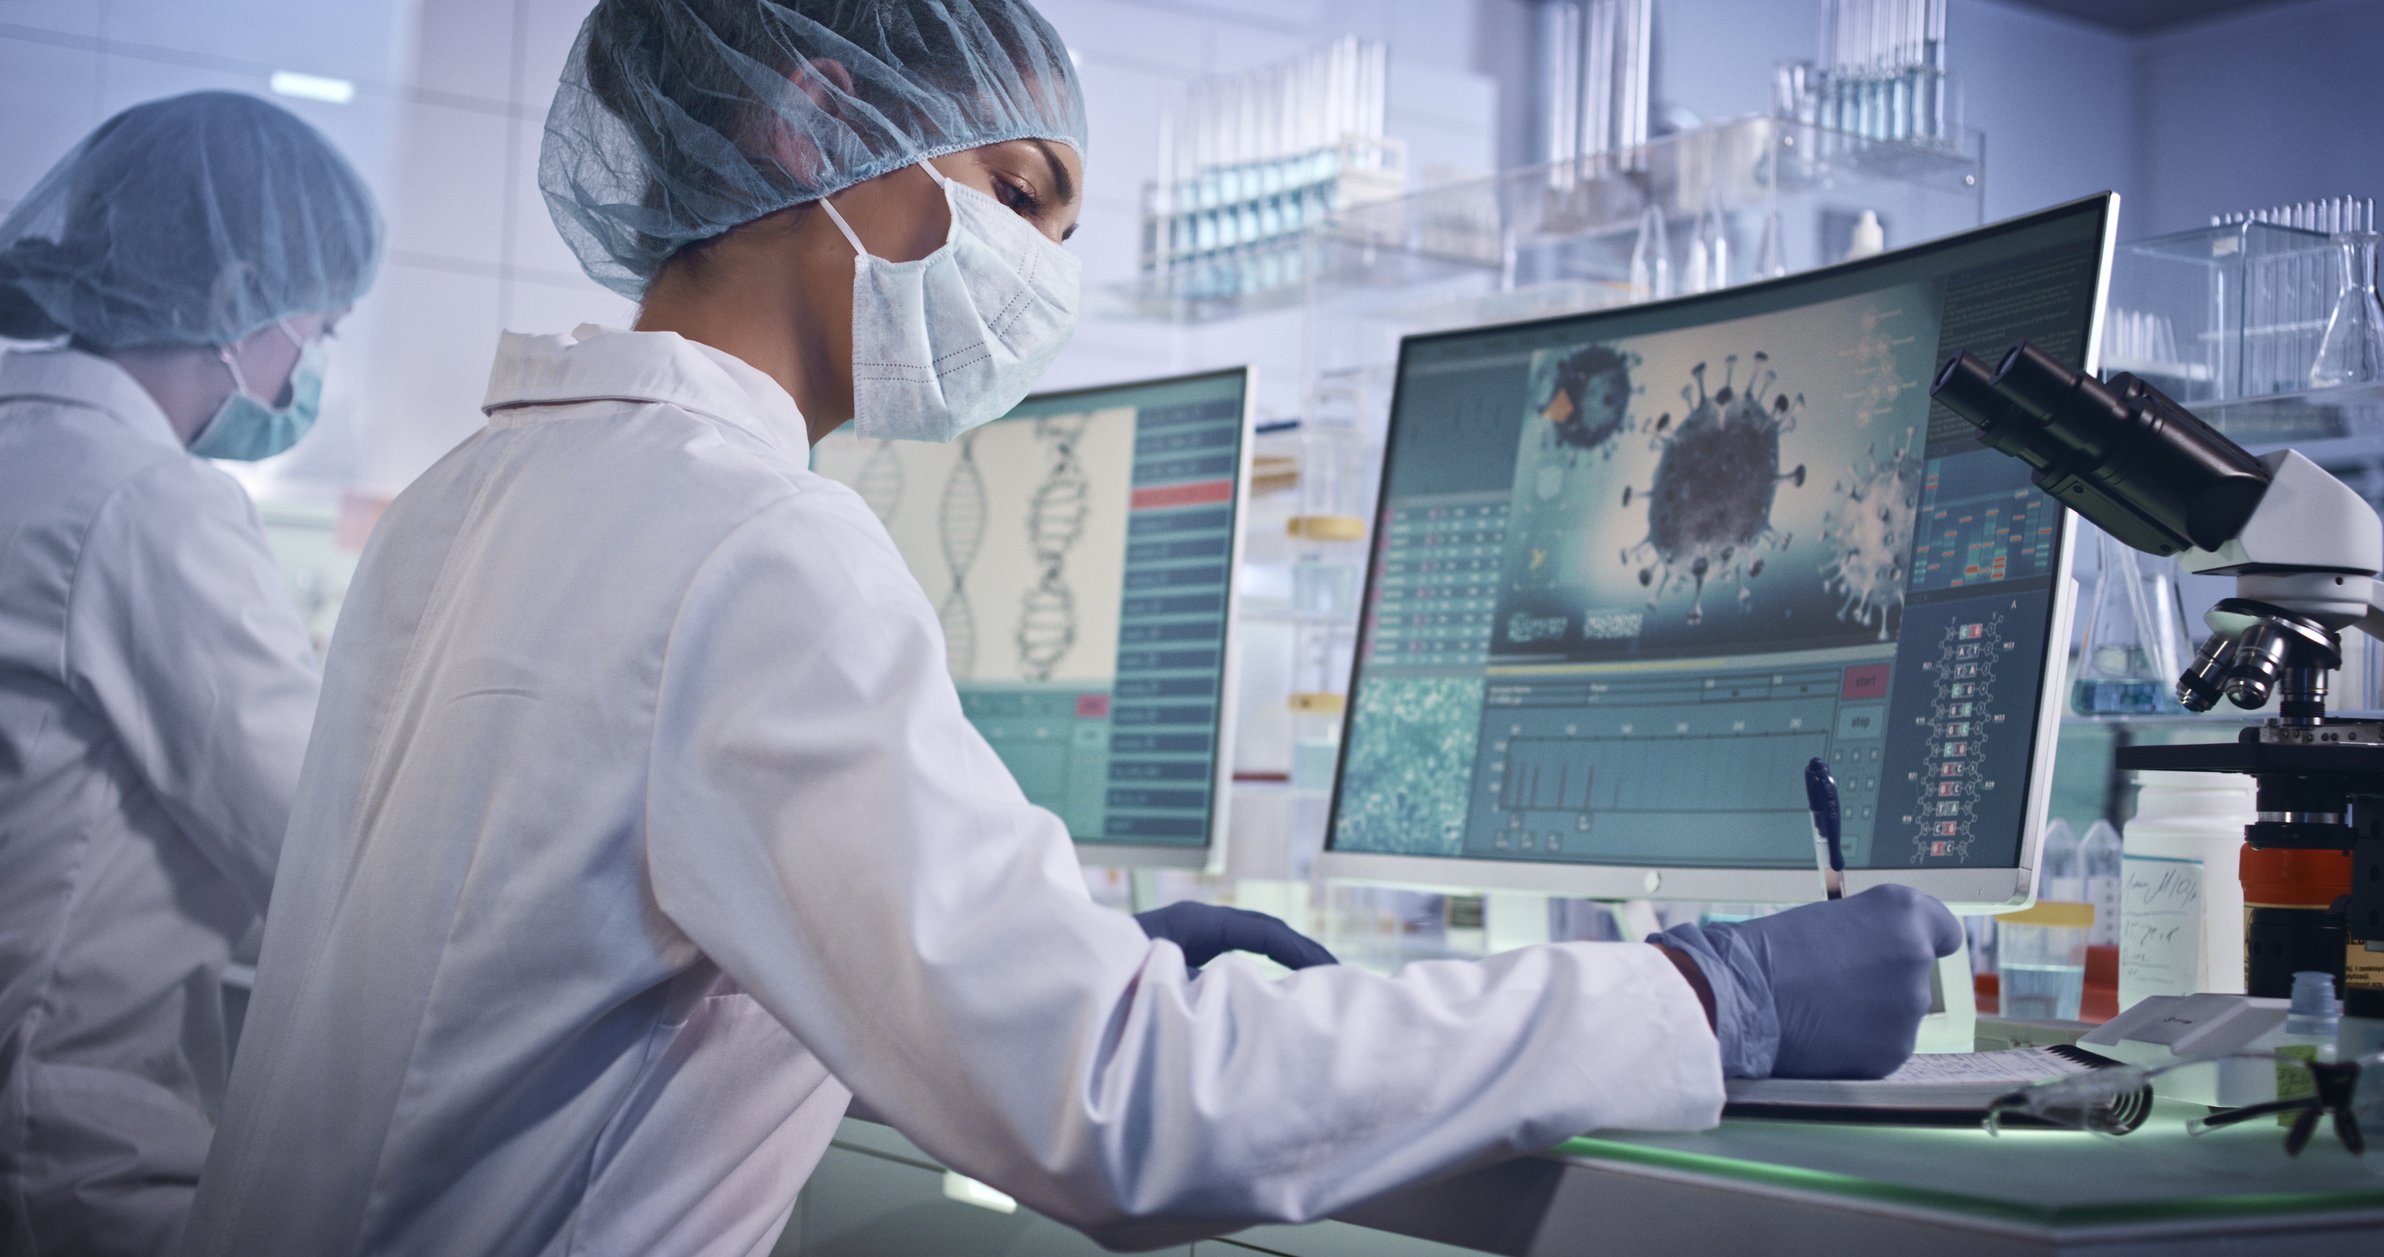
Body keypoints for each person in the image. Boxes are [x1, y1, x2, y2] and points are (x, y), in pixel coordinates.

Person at [180, 3, 1959, 1253]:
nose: (1038, 265)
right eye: (1022, 192)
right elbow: (1121, 1112)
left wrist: (1052, 945)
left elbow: (561, 965)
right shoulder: (750, 540)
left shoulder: (480, 493)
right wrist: (1697, 995)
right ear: (813, 122)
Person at [0, 92, 380, 1255]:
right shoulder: (149, 504)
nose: (309, 366)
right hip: (62, 1154)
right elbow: (318, 840)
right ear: (236, 300)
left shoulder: (26, 445)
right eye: (317, 329)